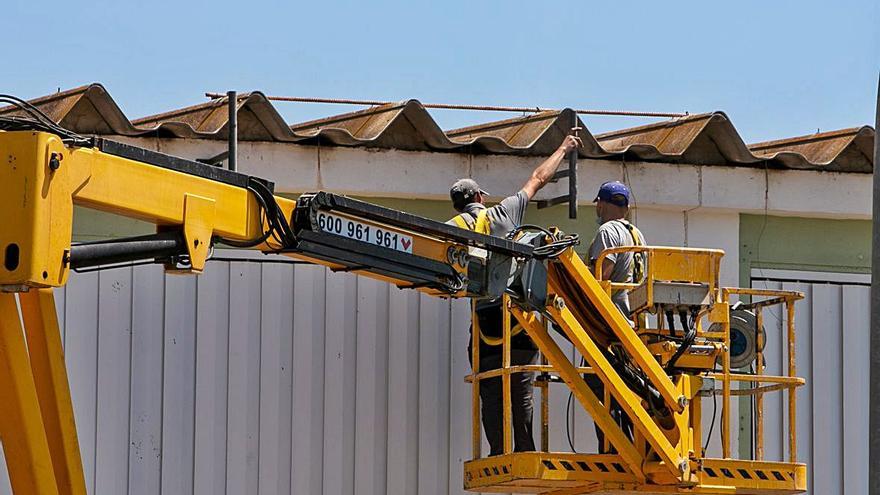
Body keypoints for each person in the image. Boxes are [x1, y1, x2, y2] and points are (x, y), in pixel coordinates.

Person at [449, 133, 582, 456]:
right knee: (520, 388)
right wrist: (563, 148)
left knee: (490, 390)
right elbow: (538, 178)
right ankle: (524, 449)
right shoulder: (501, 215)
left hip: (483, 324)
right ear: (479, 197)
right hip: (516, 318)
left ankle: (497, 451)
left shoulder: (449, 228)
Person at [585, 180, 645, 453]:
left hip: (606, 326)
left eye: (599, 202)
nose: (597, 207)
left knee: (598, 384)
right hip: (629, 325)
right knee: (627, 387)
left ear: (603, 203)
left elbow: (601, 276)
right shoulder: (636, 234)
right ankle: (632, 445)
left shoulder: (608, 231)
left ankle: (613, 448)